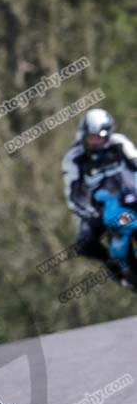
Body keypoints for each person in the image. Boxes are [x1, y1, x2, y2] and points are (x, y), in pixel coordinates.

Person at [62, 108, 137, 281]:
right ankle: (117, 270)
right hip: (95, 207)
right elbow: (72, 194)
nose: (95, 143)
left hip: (127, 194)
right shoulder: (73, 158)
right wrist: (91, 215)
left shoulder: (119, 143)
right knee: (84, 244)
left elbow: (135, 161)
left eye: (100, 138)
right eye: (91, 138)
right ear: (83, 135)